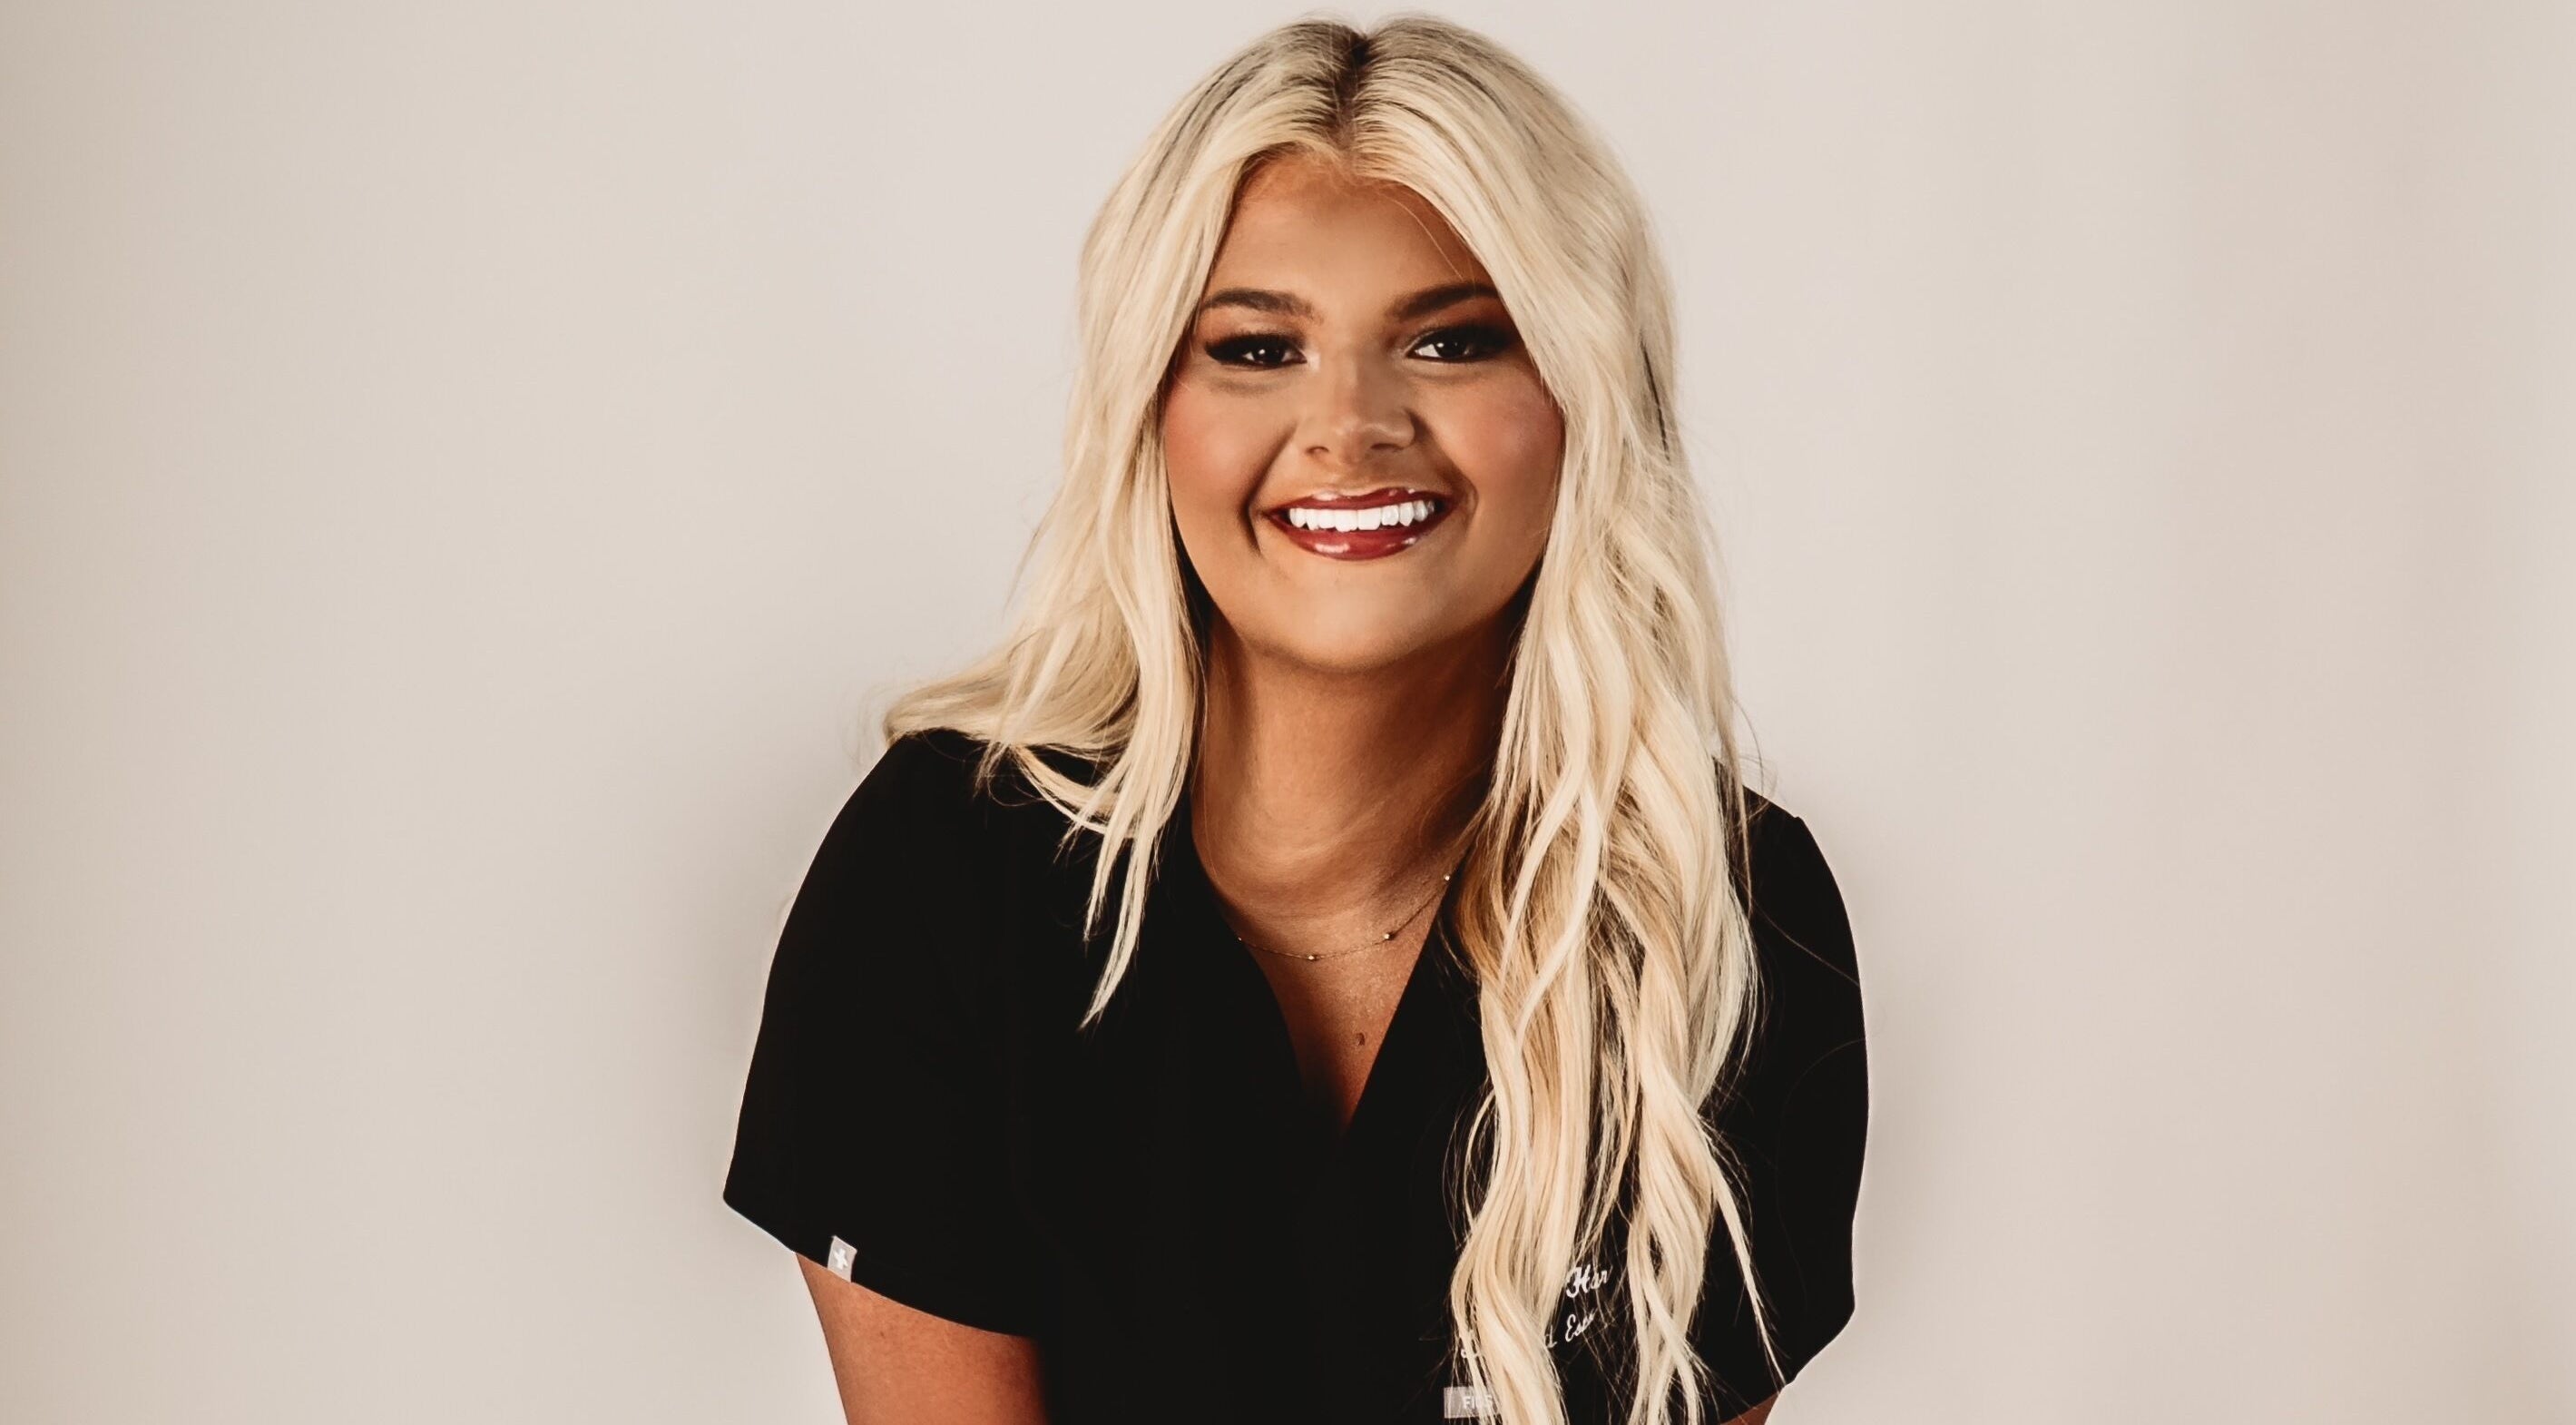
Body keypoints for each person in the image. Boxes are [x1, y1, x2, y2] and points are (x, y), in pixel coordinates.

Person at [721, 15, 1868, 1425]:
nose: (1352, 424)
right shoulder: (942, 886)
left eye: (1451, 339)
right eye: (1259, 347)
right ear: (1154, 410)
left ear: (1583, 397)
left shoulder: (1722, 923)